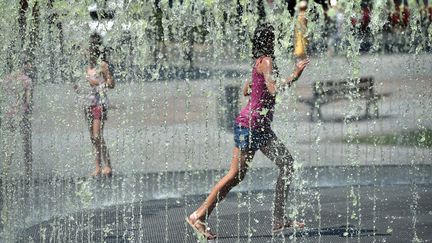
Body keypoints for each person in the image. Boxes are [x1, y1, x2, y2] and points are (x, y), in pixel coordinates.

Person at [186, 23, 310, 240]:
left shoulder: (260, 62)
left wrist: (259, 87)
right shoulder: (267, 62)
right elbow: (273, 89)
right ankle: (198, 216)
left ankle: (279, 220)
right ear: (268, 41)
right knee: (235, 175)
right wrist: (295, 75)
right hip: (251, 126)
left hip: (259, 127)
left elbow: (247, 89)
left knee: (285, 165)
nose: (276, 41)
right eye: (273, 37)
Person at [74, 33, 115, 177]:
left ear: (95, 50)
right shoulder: (86, 67)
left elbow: (111, 84)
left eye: (89, 49)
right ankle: (97, 167)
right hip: (88, 104)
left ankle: (108, 165)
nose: (86, 52)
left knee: (98, 135)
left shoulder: (102, 65)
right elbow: (80, 86)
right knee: (92, 136)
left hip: (99, 104)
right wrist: (78, 87)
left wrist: (97, 83)